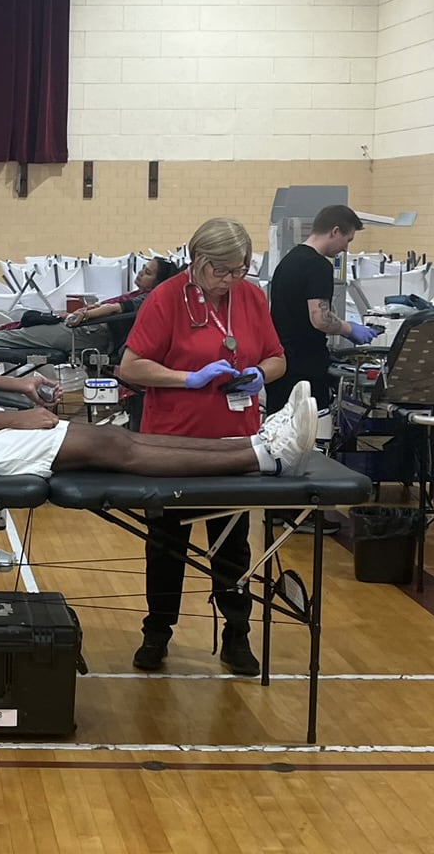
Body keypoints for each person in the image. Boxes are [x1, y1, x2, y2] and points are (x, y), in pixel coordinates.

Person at [0, 218, 316, 492]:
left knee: (119, 443)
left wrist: (20, 386)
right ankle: (263, 456)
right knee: (115, 445)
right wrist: (17, 419)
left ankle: (261, 447)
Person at [118, 217, 288, 678]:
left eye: (242, 269)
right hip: (172, 443)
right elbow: (131, 367)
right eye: (225, 271)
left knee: (232, 543)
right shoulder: (166, 297)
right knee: (167, 543)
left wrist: (260, 375)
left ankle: (237, 634)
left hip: (234, 440)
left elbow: (276, 357)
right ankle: (157, 632)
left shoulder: (250, 297)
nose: (234, 279)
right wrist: (186, 379)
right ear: (199, 261)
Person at [0, 256, 182, 362]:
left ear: (158, 281)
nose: (140, 274)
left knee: (15, 336)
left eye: (147, 273)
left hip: (90, 334)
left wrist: (80, 315)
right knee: (19, 317)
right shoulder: (146, 294)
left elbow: (115, 309)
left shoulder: (148, 297)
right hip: (89, 328)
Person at [267, 203, 373, 415]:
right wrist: (349, 329)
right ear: (335, 231)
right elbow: (320, 319)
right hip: (305, 368)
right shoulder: (318, 266)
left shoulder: (289, 260)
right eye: (347, 240)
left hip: (281, 363)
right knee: (310, 436)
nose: (345, 249)